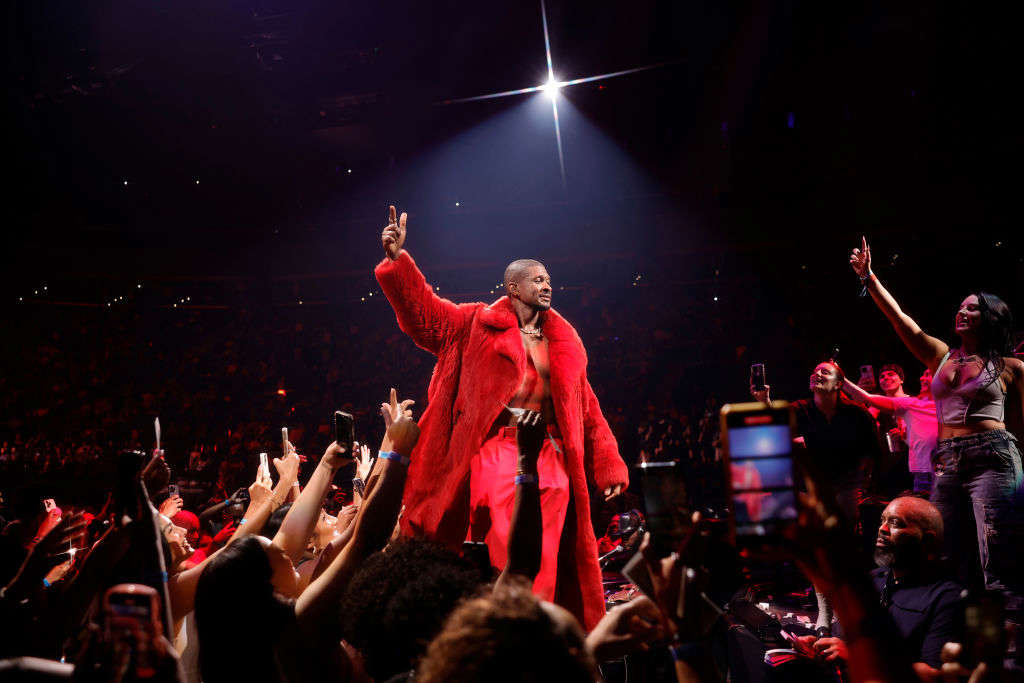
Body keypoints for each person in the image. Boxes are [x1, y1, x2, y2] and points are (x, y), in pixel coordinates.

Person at [375, 205, 629, 630]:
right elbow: (425, 318)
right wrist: (398, 263)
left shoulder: (564, 343)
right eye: (538, 279)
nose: (547, 285)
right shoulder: (475, 323)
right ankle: (503, 628)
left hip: (550, 454)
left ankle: (533, 629)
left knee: (546, 553)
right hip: (497, 452)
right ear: (513, 287)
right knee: (504, 546)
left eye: (549, 279)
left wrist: (608, 463)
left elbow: (586, 407)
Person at [850, 237, 1024, 604]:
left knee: (996, 551)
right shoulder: (942, 356)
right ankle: (949, 621)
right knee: (940, 547)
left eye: (973, 308)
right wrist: (870, 279)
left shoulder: (1011, 366)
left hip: (993, 457)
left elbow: (1020, 427)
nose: (962, 312)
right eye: (960, 307)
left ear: (990, 318)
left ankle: (1009, 634)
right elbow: (902, 322)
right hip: (947, 460)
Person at [798, 496, 963, 673]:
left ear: (928, 540)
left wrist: (856, 656)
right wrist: (821, 646)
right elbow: (846, 640)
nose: (882, 529)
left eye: (895, 523)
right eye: (882, 521)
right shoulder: (875, 578)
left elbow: (934, 674)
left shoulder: (947, 598)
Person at [844, 368, 938, 497]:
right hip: (891, 466)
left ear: (901, 379)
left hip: (915, 466)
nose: (886, 378)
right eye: (882, 376)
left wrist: (904, 436)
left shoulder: (917, 402)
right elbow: (862, 423)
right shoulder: (883, 406)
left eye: (890, 374)